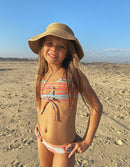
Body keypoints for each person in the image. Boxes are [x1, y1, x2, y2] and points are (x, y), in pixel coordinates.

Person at [28, 22, 103, 167]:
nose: (54, 49)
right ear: (43, 46)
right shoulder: (41, 76)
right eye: (49, 43)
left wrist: (87, 141)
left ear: (68, 51)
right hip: (42, 140)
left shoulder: (73, 76)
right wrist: (40, 121)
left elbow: (96, 107)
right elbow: (40, 101)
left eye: (61, 46)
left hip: (64, 148)